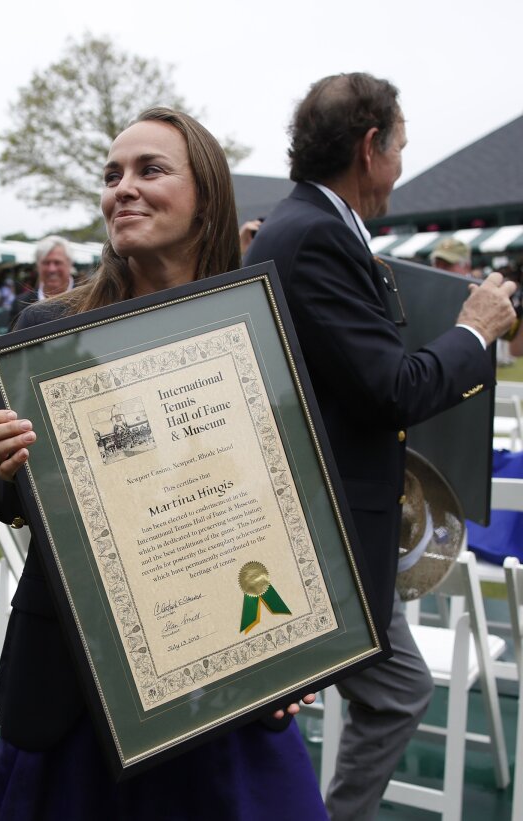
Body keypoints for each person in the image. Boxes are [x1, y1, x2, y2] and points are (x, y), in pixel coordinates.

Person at [0, 108, 326, 820]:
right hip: (80, 677)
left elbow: (289, 491)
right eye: (111, 176)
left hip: (227, 659)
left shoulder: (257, 326)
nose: (122, 189)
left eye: (150, 170)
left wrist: (310, 640)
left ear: (207, 197)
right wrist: (4, 463)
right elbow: (2, 497)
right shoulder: (48, 330)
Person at [244, 73, 517, 820]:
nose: (400, 164)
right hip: (324, 532)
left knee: (386, 692)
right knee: (333, 702)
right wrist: (475, 330)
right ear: (371, 148)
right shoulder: (318, 235)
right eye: (399, 146)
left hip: (333, 525)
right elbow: (391, 387)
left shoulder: (309, 226)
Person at [8, 235, 76, 328]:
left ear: (70, 264)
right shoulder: (21, 304)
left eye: (57, 262)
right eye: (46, 263)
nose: (52, 269)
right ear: (37, 266)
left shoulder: (87, 297)